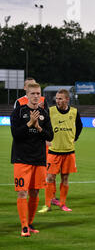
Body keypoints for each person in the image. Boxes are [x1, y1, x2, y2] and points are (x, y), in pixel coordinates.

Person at [10, 83, 53, 237]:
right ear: (26, 95)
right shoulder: (18, 112)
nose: (36, 96)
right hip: (22, 158)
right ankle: (24, 227)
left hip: (39, 158)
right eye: (33, 93)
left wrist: (39, 127)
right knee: (22, 193)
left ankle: (30, 223)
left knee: (35, 193)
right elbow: (16, 134)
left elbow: (50, 136)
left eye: (38, 93)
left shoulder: (44, 114)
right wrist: (29, 124)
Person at [38, 89, 82, 213]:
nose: (58, 101)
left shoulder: (74, 112)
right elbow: (41, 124)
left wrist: (75, 138)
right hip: (54, 151)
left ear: (67, 99)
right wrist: (45, 138)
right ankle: (47, 205)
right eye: (57, 98)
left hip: (69, 151)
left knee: (65, 178)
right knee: (50, 177)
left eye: (60, 98)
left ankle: (63, 204)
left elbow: (79, 126)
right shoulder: (50, 111)